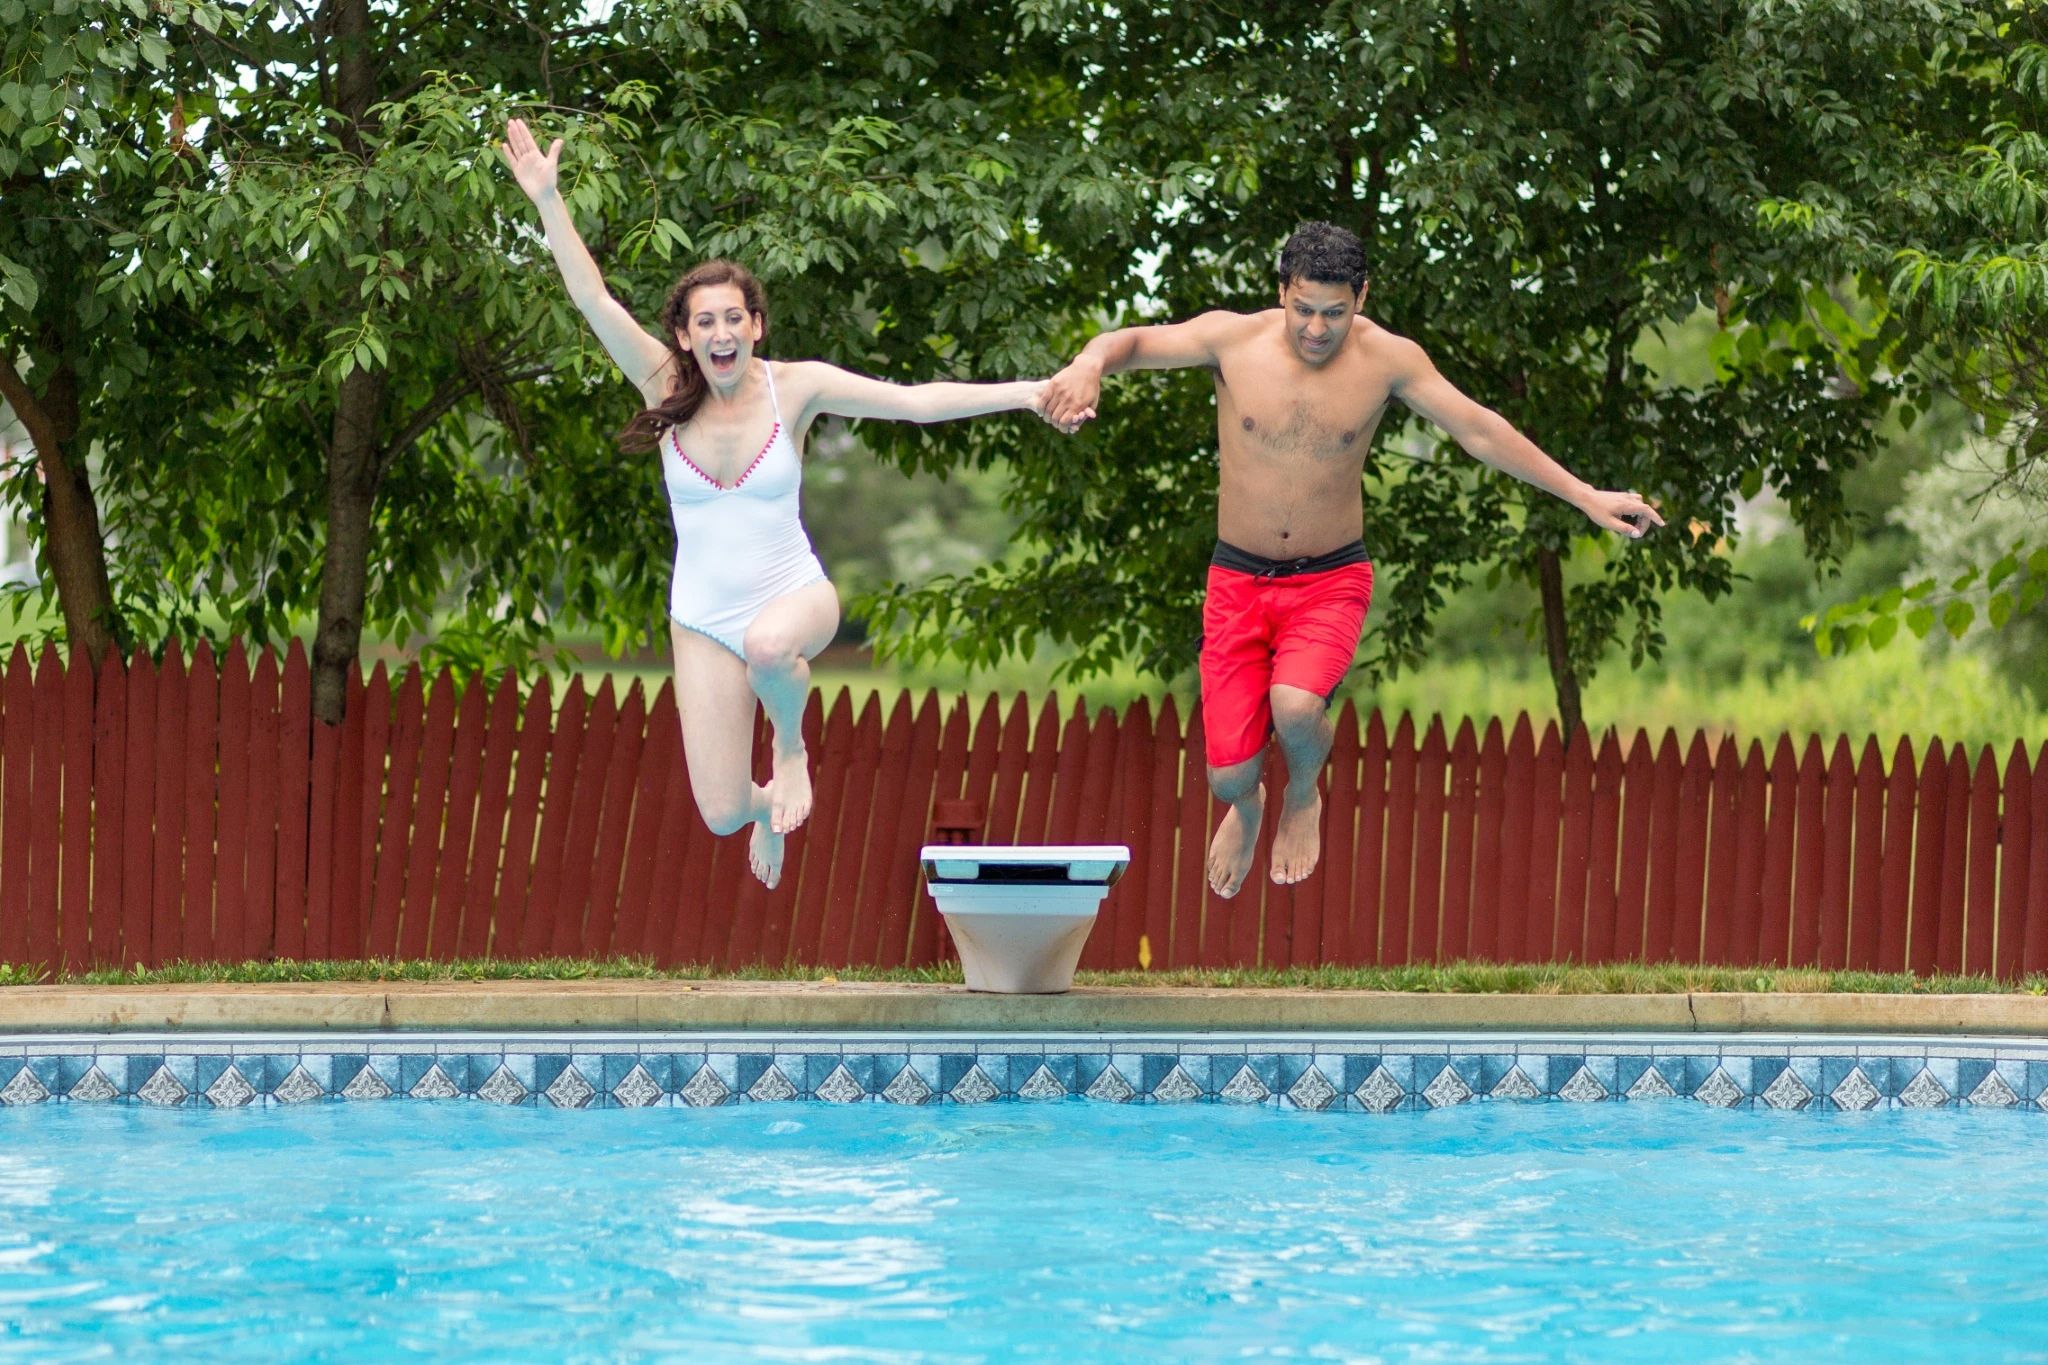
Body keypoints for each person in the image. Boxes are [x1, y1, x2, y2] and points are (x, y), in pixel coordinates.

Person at [501, 119, 1070, 889]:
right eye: (705, 321)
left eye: (735, 317)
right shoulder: (662, 383)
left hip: (794, 596)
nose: (722, 331)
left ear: (756, 325)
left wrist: (1027, 394)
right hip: (702, 616)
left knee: (772, 647)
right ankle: (767, 807)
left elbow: (913, 402)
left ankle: (793, 750)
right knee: (722, 810)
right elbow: (592, 297)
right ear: (684, 334)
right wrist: (547, 198)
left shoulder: (793, 387)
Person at [1040, 221, 1663, 899]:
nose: (1315, 329)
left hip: (1329, 578)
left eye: (1334, 313)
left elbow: (1479, 427)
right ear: (1282, 291)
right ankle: (1246, 807)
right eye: (1303, 308)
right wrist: (1089, 362)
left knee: (1296, 705)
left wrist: (1582, 495)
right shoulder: (1231, 341)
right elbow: (1129, 342)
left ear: (1361, 297)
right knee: (1227, 775)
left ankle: (1304, 791)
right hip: (1237, 581)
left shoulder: (1389, 361)